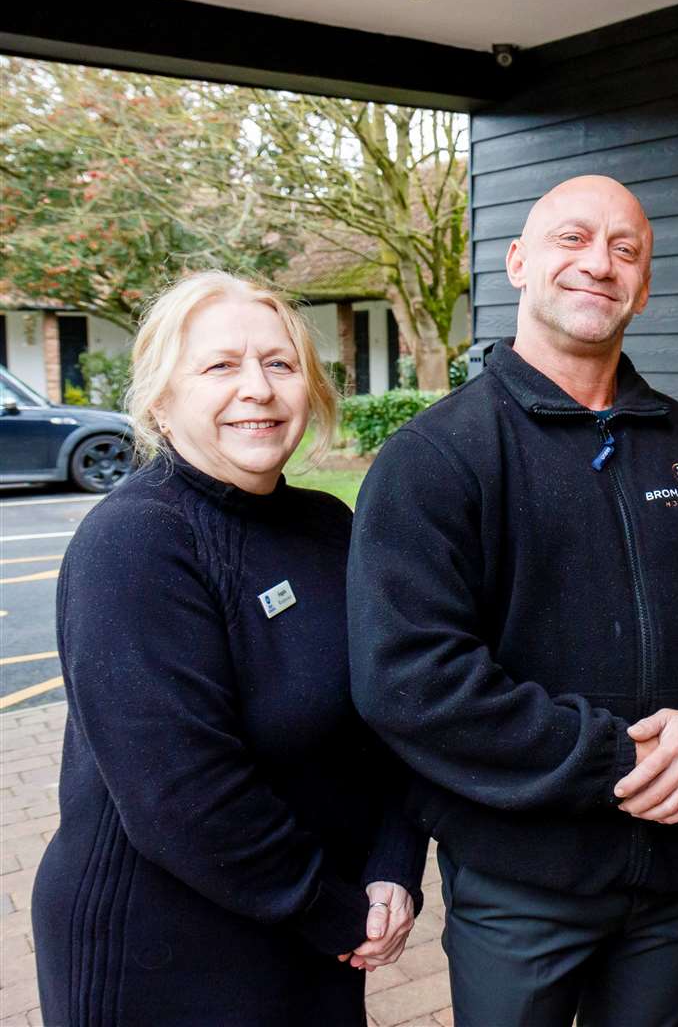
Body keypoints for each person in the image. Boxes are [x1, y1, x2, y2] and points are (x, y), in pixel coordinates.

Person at [347, 174, 678, 1027]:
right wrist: (620, 759)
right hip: (520, 884)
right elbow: (411, 678)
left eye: (624, 249)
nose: (598, 264)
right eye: (572, 239)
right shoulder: (436, 459)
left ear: (643, 285)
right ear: (519, 262)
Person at [32, 272, 426, 1027]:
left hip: (309, 932)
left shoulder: (325, 527)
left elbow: (394, 708)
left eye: (280, 364)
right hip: (163, 957)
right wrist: (335, 910)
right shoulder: (135, 542)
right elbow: (181, 794)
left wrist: (391, 868)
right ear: (159, 399)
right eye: (220, 366)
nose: (259, 389)